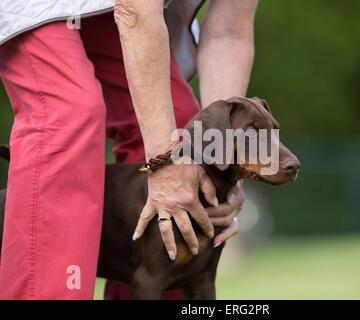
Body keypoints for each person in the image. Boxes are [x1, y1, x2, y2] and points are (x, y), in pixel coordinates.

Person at [0, 0, 258, 299]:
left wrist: (224, 166)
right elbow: (136, 11)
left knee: (181, 131)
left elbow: (229, 34)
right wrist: (164, 163)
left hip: (108, 8)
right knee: (71, 113)